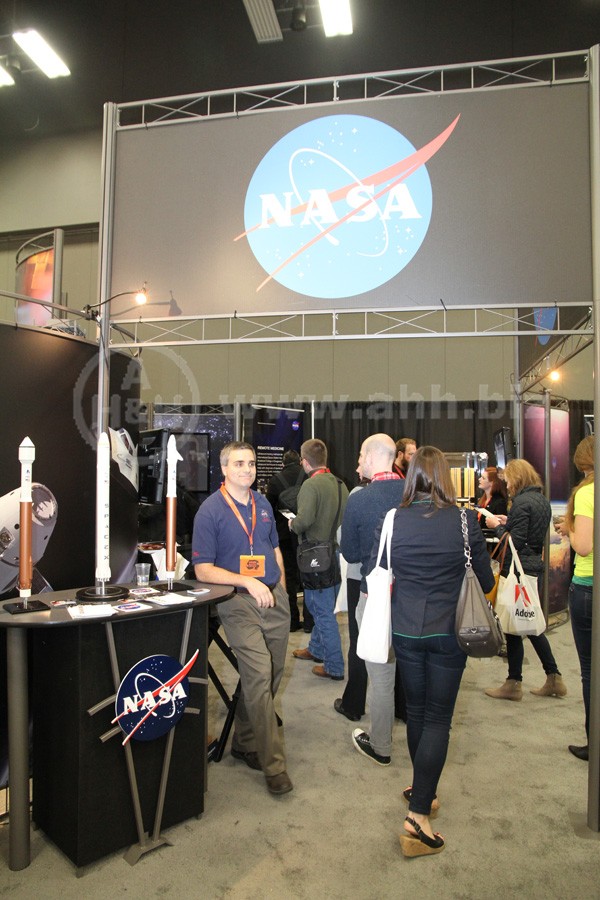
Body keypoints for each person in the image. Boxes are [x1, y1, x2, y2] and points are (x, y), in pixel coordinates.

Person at [374, 445, 493, 857]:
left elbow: (383, 568)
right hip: (449, 632)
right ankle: (418, 816)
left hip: (406, 629)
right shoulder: (464, 521)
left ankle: (421, 790)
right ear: (444, 476)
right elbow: (486, 578)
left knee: (419, 714)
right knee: (439, 718)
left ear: (410, 478)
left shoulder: (393, 520)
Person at [192, 441, 293, 795]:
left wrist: (279, 583)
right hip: (237, 601)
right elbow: (203, 570)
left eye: (250, 464)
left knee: (273, 672)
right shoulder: (210, 511)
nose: (247, 470)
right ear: (224, 469)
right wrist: (247, 581)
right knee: (258, 671)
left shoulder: (263, 503)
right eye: (238, 464)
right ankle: (274, 766)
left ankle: (245, 740)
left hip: (273, 597)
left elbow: (274, 548)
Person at [339, 434, 405, 765]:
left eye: (362, 454)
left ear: (372, 456)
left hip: (375, 597)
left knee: (380, 677)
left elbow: (349, 552)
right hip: (413, 600)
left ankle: (381, 745)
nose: (359, 461)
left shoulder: (360, 500)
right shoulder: (414, 493)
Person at [485, 459, 567, 702]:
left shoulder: (521, 502)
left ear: (517, 478)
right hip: (531, 568)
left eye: (508, 479)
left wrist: (496, 527)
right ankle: (552, 677)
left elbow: (515, 542)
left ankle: (515, 682)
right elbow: (528, 533)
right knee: (528, 623)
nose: (506, 484)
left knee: (514, 625)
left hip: (518, 570)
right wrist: (507, 523)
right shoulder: (541, 500)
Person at [290, 438, 349, 680]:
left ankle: (334, 665)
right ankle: (315, 649)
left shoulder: (310, 486)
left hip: (314, 557)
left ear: (305, 462)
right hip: (334, 554)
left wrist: (292, 523)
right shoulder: (340, 484)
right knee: (321, 607)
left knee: (321, 611)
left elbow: (303, 522)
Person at [557, 435, 594, 761]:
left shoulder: (586, 494)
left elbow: (583, 546)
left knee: (590, 671)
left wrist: (567, 528)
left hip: (587, 586)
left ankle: (593, 744)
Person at [266, 449, 313, 633]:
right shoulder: (308, 478)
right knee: (308, 577)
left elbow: (268, 509)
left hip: (284, 535)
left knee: (289, 578)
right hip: (305, 533)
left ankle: (292, 621)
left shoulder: (275, 480)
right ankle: (309, 622)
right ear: (300, 461)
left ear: (283, 463)